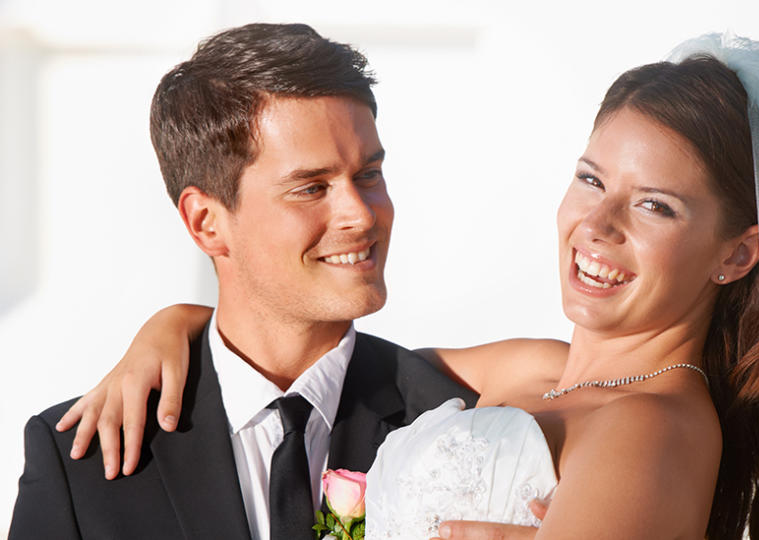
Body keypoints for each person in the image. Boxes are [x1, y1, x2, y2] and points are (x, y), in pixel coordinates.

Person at [32, 33, 759, 539]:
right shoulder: (523, 372)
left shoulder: (659, 426)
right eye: (593, 180)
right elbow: (314, 351)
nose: (598, 227)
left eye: (658, 207)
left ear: (737, 254)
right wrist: (178, 323)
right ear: (207, 223)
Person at [7, 23, 490, 540]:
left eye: (368, 175)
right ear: (206, 223)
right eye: (311, 187)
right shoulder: (80, 463)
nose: (361, 215)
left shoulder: (462, 423)